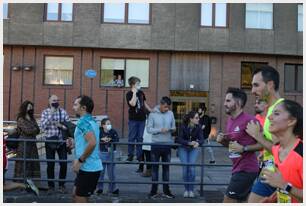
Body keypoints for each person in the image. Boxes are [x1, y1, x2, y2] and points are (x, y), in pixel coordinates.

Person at [232, 65, 284, 202]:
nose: (252, 90)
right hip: (270, 172)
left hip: (277, 174)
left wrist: (257, 136)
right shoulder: (272, 109)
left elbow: (282, 151)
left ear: (270, 85)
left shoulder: (280, 110)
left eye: (256, 85)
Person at [246, 100, 303, 203]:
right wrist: (274, 198)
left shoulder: (302, 153)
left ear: (291, 121)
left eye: (276, 114)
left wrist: (283, 185)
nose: (269, 117)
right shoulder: (277, 150)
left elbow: (284, 184)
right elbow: (286, 185)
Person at [215, 87, 259, 203]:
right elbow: (232, 146)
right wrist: (223, 141)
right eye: (225, 101)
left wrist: (244, 148)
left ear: (238, 103)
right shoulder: (230, 120)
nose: (224, 104)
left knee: (228, 200)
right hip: (236, 168)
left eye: (228, 101)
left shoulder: (250, 120)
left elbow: (263, 144)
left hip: (247, 169)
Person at [72, 95, 103, 203]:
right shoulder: (92, 121)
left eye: (76, 104)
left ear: (83, 108)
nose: (73, 107)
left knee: (80, 199)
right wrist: (74, 143)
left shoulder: (83, 122)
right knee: (76, 195)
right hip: (91, 168)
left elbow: (92, 142)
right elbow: (86, 141)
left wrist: (80, 161)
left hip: (88, 168)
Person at [147, 96, 176, 199]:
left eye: (168, 107)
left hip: (167, 144)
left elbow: (174, 127)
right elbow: (149, 129)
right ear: (160, 104)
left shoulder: (171, 114)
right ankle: (153, 191)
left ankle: (166, 191)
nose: (167, 109)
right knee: (155, 169)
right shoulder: (152, 114)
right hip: (156, 145)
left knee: (166, 169)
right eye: (165, 107)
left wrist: (172, 129)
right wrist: (160, 130)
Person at [40, 95, 70, 194]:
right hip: (49, 142)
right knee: (50, 165)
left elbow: (68, 127)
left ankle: (62, 185)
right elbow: (43, 127)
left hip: (61, 142)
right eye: (53, 100)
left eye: (57, 100)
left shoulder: (63, 112)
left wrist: (60, 125)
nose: (56, 102)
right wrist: (51, 114)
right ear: (49, 102)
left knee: (64, 164)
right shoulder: (45, 112)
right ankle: (51, 187)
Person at [125, 76, 152, 170]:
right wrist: (134, 93)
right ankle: (130, 155)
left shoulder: (141, 93)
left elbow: (144, 103)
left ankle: (139, 156)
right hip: (133, 119)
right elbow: (132, 104)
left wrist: (151, 110)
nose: (139, 85)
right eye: (137, 83)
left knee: (141, 138)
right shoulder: (129, 94)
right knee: (132, 137)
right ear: (133, 84)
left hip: (142, 118)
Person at [175, 111, 203, 198]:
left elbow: (202, 139)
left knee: (192, 168)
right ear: (191, 119)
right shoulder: (183, 126)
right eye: (196, 118)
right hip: (183, 148)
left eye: (198, 118)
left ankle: (191, 190)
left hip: (193, 149)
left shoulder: (198, 127)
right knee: (185, 169)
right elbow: (178, 139)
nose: (198, 119)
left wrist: (198, 143)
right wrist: (189, 143)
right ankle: (186, 190)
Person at [14, 101, 41, 187]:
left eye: (31, 107)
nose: (30, 108)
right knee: (23, 163)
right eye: (28, 107)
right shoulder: (20, 118)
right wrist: (34, 129)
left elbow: (38, 129)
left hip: (32, 144)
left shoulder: (32, 118)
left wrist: (33, 129)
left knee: (33, 162)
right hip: (24, 144)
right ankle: (20, 183)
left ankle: (31, 182)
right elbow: (28, 130)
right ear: (24, 108)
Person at [3, 132, 39, 196]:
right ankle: (26, 186)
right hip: (4, 162)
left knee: (3, 187)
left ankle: (26, 186)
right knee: (3, 186)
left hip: (3, 162)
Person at [96, 118, 119, 195]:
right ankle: (99, 188)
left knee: (111, 172)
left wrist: (110, 141)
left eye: (110, 123)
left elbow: (117, 140)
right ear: (103, 125)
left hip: (111, 154)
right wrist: (102, 140)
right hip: (102, 153)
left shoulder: (113, 131)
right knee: (101, 172)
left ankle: (113, 189)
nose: (109, 125)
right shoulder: (99, 131)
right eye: (107, 124)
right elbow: (96, 139)